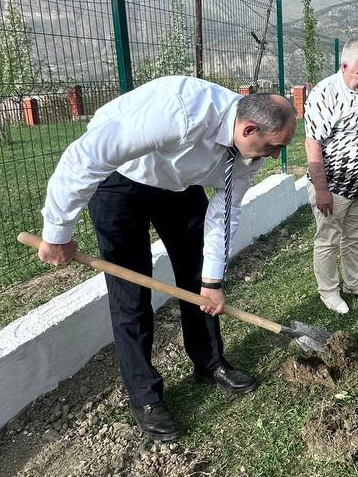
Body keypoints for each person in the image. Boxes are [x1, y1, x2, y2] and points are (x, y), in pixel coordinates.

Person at [37, 76, 296, 441]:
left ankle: (208, 363)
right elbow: (88, 155)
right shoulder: (181, 112)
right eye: (272, 147)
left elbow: (226, 211)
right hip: (121, 180)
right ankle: (144, 397)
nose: (273, 156)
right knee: (131, 293)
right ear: (249, 128)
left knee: (196, 279)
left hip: (177, 186)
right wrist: (57, 232)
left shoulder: (248, 151)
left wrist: (213, 282)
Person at [304, 38, 358, 314]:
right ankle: (329, 291)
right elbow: (313, 143)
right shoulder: (324, 94)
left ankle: (354, 282)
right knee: (328, 239)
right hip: (333, 185)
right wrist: (321, 190)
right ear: (344, 66)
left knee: (354, 236)